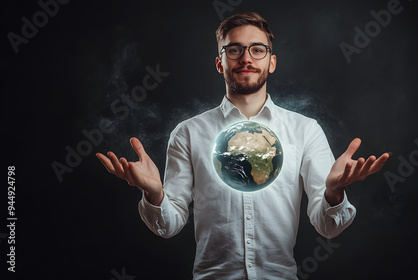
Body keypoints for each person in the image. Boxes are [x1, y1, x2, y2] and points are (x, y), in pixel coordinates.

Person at [96, 11, 391, 280]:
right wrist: (155, 193)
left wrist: (334, 192)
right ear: (219, 62)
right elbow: (168, 226)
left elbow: (328, 227)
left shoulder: (304, 131)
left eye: (257, 49)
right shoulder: (188, 133)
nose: (246, 58)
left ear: (271, 62)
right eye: (234, 49)